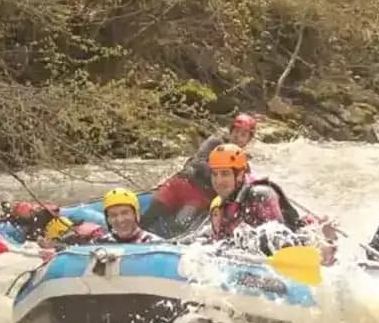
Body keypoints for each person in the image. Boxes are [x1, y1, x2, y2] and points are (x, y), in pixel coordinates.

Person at [208, 145, 336, 264]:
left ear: (240, 175)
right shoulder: (218, 205)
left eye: (225, 174)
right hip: (255, 250)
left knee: (266, 236)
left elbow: (279, 236)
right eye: (215, 174)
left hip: (296, 238)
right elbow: (217, 239)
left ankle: (327, 238)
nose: (218, 181)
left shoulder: (260, 194)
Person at [139, 113, 258, 238]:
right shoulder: (215, 143)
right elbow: (198, 162)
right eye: (236, 132)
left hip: (198, 198)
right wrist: (221, 173)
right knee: (150, 215)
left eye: (243, 135)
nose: (238, 137)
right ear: (230, 131)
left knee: (179, 225)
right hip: (180, 184)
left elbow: (241, 188)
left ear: (248, 140)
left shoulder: (242, 163)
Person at [92, 188, 163, 244]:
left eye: (125, 213)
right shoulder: (99, 245)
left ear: (135, 214)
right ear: (108, 219)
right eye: (113, 215)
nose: (120, 220)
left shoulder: (156, 245)